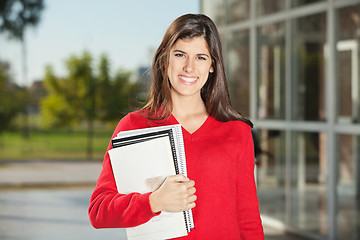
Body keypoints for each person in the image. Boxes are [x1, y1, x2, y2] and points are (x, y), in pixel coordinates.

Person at [88, 13, 264, 239]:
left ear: (212, 66)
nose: (189, 67)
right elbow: (99, 211)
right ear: (165, 59)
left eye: (201, 57)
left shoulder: (237, 131)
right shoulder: (134, 126)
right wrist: (153, 202)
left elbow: (248, 219)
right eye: (180, 55)